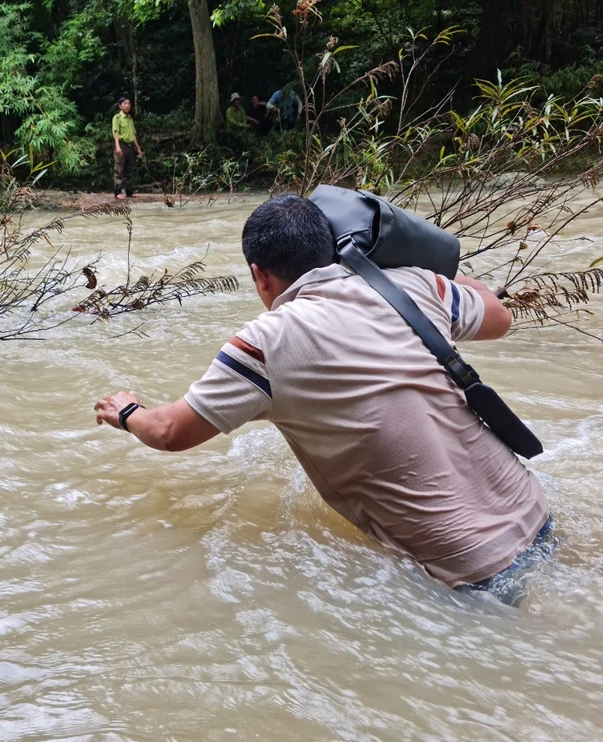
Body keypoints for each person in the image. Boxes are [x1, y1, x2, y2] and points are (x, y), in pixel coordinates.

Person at [94, 195, 553, 606]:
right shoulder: (413, 285)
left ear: (259, 275)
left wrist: (127, 412)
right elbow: (499, 316)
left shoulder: (266, 343)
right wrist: (430, 261)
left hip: (469, 570)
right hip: (535, 512)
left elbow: (171, 432)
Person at [112, 95, 143, 200]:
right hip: (121, 145)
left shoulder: (130, 119)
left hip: (130, 147)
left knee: (129, 170)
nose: (127, 106)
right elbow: (116, 132)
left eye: (129, 103)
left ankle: (129, 192)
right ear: (120, 106)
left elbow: (133, 135)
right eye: (125, 103)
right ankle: (118, 192)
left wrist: (138, 148)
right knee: (119, 170)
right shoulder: (117, 118)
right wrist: (117, 147)